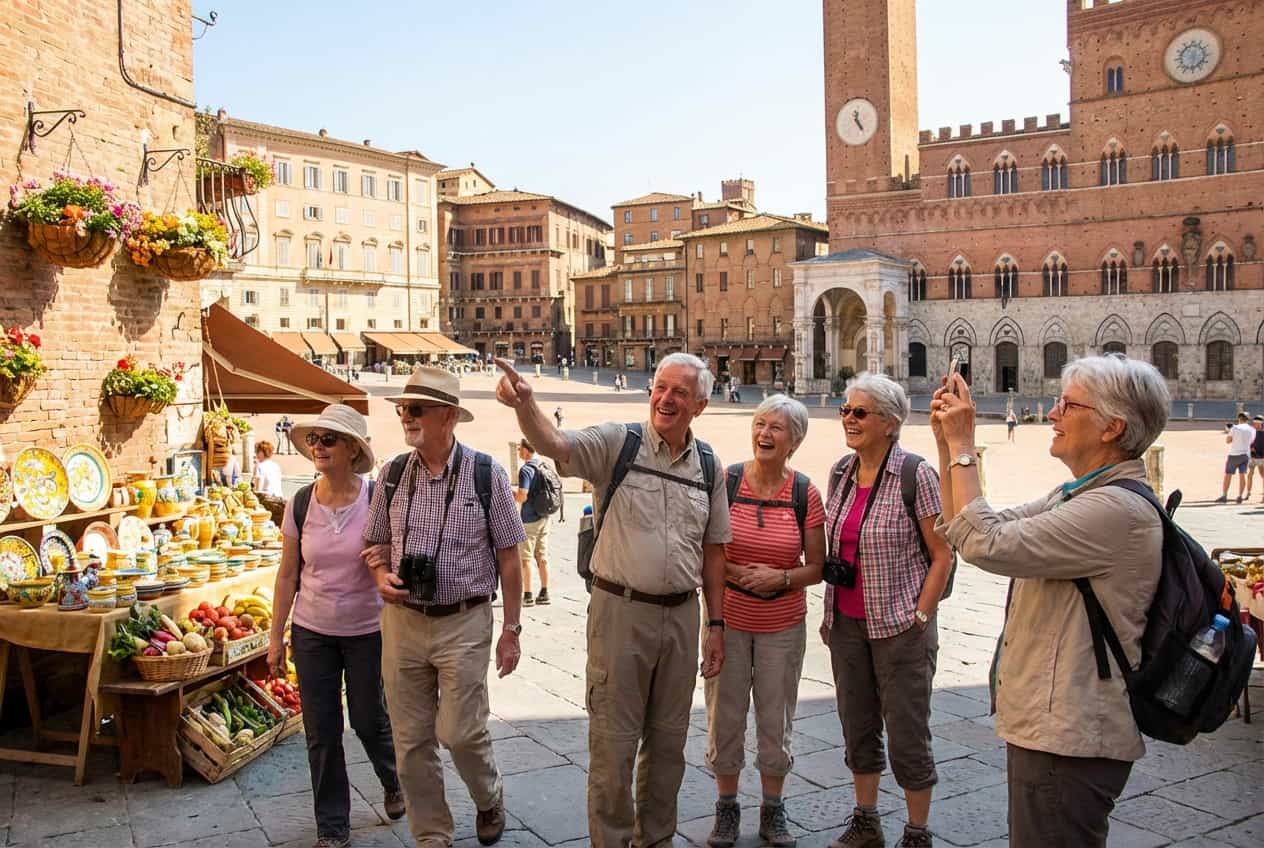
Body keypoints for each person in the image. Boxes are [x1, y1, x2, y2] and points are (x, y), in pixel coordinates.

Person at [494, 352, 730, 848]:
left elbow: (713, 552)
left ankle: (657, 840)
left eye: (679, 393)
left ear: (700, 405)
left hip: (683, 617)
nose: (665, 398)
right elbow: (554, 443)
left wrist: (716, 626)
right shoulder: (617, 442)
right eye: (660, 387)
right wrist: (525, 406)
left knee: (669, 745)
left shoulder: (709, 465)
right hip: (619, 612)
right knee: (613, 745)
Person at [931, 355, 1168, 848]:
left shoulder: (1115, 509)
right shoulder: (1079, 494)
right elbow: (967, 527)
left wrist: (962, 444)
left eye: (1068, 403)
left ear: (1113, 427)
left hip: (1071, 734)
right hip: (1055, 728)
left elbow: (985, 543)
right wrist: (946, 442)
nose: (1053, 413)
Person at [361, 367, 527, 847]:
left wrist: (511, 629)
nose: (406, 418)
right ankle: (433, 835)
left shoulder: (485, 472)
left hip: (465, 620)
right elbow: (374, 544)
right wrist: (380, 578)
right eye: (402, 410)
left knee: (459, 732)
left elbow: (511, 559)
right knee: (410, 742)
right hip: (403, 622)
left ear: (449, 416)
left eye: (416, 409)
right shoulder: (391, 473)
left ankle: (488, 794)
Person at [823, 373, 954, 848]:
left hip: (900, 626)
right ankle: (866, 821)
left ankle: (917, 832)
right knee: (856, 726)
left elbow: (943, 554)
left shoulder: (915, 474)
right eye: (845, 410)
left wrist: (920, 616)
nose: (848, 419)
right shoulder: (841, 470)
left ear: (890, 423)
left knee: (906, 734)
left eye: (860, 412)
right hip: (847, 623)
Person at [267, 405, 404, 848]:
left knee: (368, 720)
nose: (318, 448)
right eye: (314, 440)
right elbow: (288, 574)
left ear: (352, 449)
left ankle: (393, 779)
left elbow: (389, 561)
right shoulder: (300, 502)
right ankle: (332, 825)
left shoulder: (375, 499)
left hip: (367, 630)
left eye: (329, 440)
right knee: (321, 731)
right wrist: (275, 637)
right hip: (312, 632)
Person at [705, 395, 826, 848]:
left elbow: (818, 565)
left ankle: (773, 810)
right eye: (760, 424)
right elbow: (709, 551)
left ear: (794, 440)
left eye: (776, 427)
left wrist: (782, 577)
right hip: (729, 620)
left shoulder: (804, 493)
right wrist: (738, 576)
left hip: (782, 625)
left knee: (777, 718)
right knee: (724, 714)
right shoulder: (728, 481)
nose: (765, 434)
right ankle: (727, 809)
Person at [514, 439, 551, 607]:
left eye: (519, 448)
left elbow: (523, 495)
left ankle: (528, 595)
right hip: (545, 517)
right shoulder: (544, 465)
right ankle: (544, 592)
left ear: (527, 450)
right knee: (542, 556)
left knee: (525, 559)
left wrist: (511, 493)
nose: (518, 451)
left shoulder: (526, 470)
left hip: (529, 519)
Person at [1217, 412, 1255, 503]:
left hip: (1234, 454)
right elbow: (1252, 441)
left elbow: (1228, 441)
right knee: (1243, 475)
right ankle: (1240, 496)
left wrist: (1229, 432)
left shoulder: (1235, 428)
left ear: (1239, 419)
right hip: (1245, 454)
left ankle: (1224, 495)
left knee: (1228, 475)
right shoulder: (1252, 429)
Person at [1247, 415, 1264, 502]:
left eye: (1257, 423)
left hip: (1262, 458)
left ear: (1261, 424)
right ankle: (1248, 493)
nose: (1255, 425)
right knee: (1250, 474)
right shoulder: (1251, 432)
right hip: (1252, 457)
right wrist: (1250, 448)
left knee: (1263, 475)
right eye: (1254, 423)